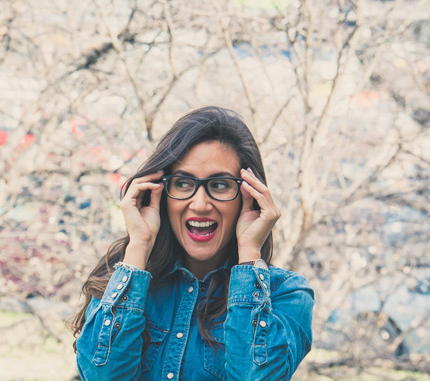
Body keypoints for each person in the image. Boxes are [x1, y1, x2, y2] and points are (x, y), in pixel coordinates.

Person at [71, 107, 314, 380]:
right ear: (161, 192)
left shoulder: (287, 294)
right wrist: (139, 243)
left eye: (220, 185)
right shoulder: (121, 277)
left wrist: (249, 251)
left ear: (249, 196)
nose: (200, 204)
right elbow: (101, 375)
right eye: (184, 183)